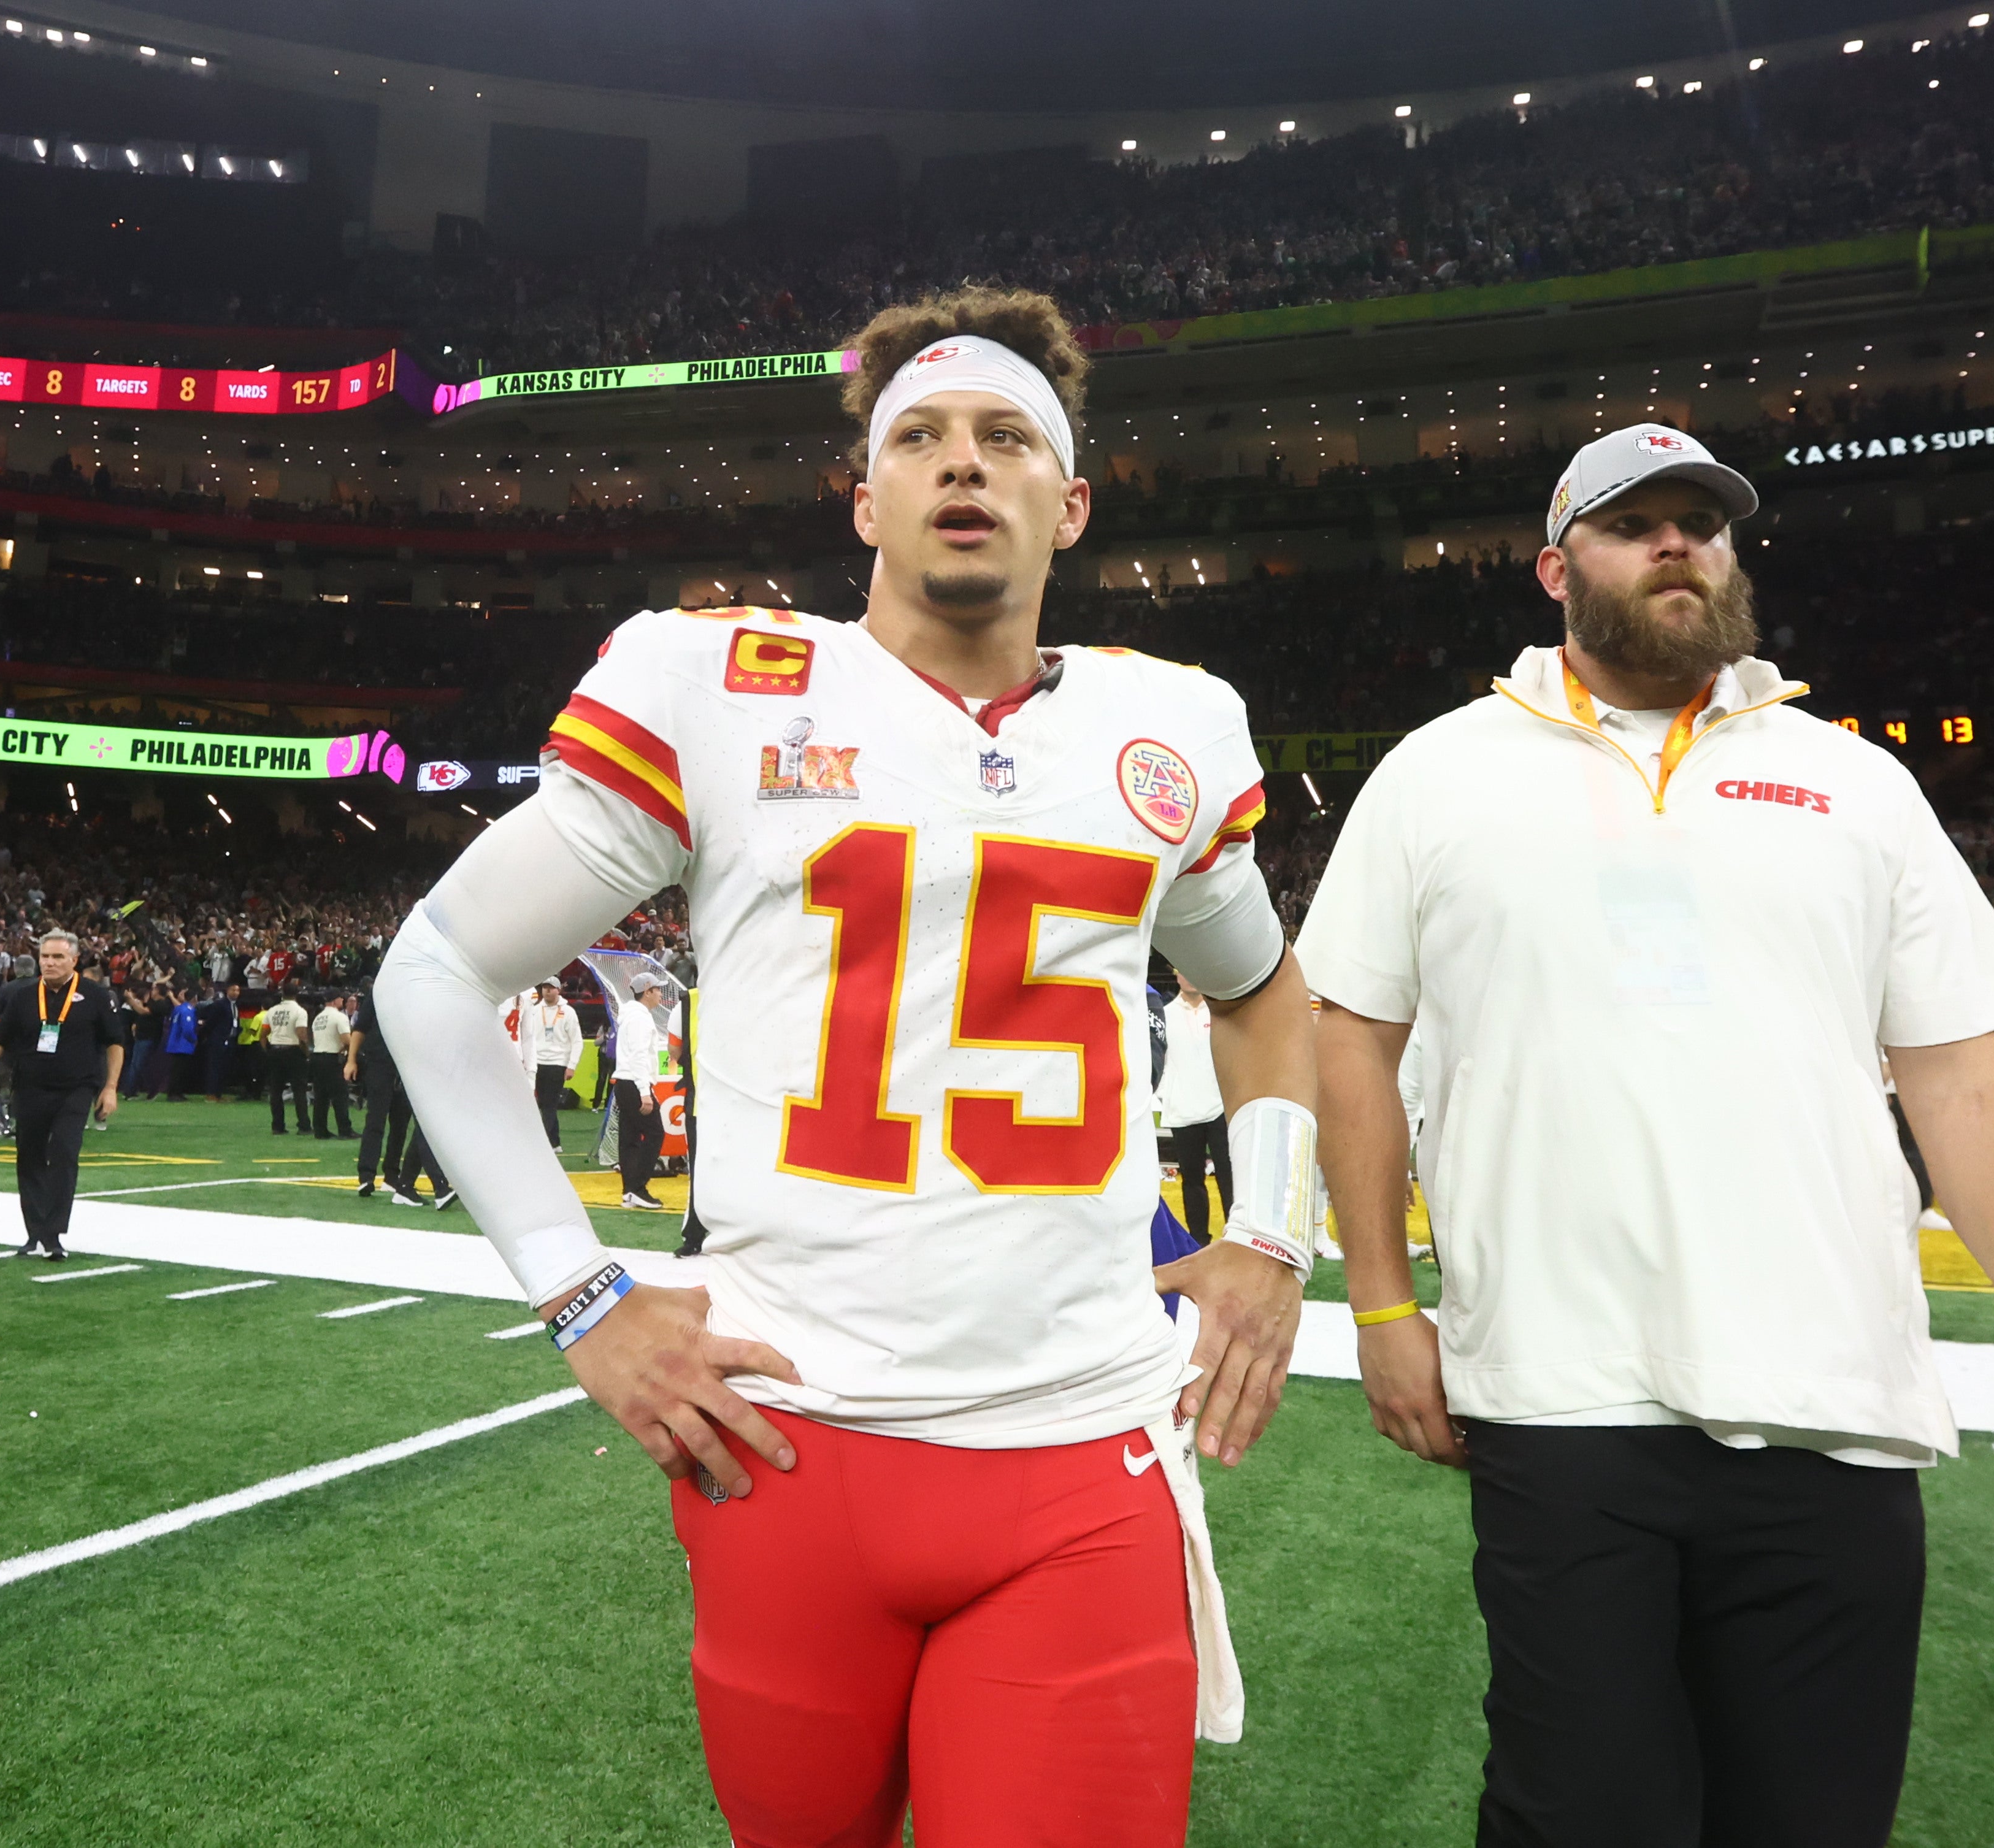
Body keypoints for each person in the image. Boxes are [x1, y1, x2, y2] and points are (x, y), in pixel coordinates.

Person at [378, 287, 1317, 1843]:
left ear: (1067, 503)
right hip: (787, 1451)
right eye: (922, 437)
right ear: (864, 495)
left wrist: (1271, 1229)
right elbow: (437, 966)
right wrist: (579, 1295)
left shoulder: (1172, 727)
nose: (965, 463)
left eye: (1007, 436)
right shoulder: (715, 685)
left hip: (1077, 1443)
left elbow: (1264, 997)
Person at [1299, 423, 1994, 1847]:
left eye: (1702, 520)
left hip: (1830, 1393)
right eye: (1633, 521)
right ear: (1550, 567)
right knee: (1579, 1816)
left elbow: (1962, 1075)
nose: (1675, 543)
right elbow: (1356, 1039)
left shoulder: (1852, 781)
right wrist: (1384, 1303)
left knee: (1809, 1820)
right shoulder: (1434, 772)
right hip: (1557, 1395)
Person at [0, 928, 126, 1262]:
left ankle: (53, 1233)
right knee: (30, 1156)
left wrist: (110, 1088)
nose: (50, 963)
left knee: (65, 1152)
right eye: (45, 957)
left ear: (75, 961)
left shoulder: (95, 996)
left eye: (58, 958)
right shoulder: (23, 995)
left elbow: (115, 1044)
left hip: (77, 1088)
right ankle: (35, 1232)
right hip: (30, 1087)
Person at [1157, 970, 1229, 1236]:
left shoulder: (1220, 1012)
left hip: (1220, 1108)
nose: (1190, 976)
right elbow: (1159, 1060)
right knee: (1192, 1180)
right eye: (1183, 971)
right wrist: (1169, 1093)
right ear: (1175, 975)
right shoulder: (1165, 1014)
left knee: (1229, 1177)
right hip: (1183, 1111)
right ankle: (1199, 1241)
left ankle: (1236, 1240)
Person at [348, 986, 427, 1202]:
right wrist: (351, 1060)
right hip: (380, 1063)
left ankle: (390, 1175)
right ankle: (367, 1174)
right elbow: (360, 1028)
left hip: (403, 1065)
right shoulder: (379, 994)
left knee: (400, 1124)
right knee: (377, 1120)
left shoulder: (413, 995)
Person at [610, 969, 668, 1210]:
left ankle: (630, 1190)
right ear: (648, 991)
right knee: (655, 1133)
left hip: (625, 1082)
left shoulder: (631, 1016)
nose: (661, 995)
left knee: (630, 1138)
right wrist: (645, 1092)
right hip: (634, 1083)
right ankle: (638, 1187)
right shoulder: (640, 1019)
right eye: (657, 990)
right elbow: (638, 1057)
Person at [529, 980, 583, 1151]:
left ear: (559, 990)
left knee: (549, 1104)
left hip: (558, 1063)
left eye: (551, 988)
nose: (547, 991)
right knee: (543, 1104)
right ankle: (555, 1143)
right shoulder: (535, 1011)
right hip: (537, 1062)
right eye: (545, 988)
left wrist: (571, 1065)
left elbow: (577, 1041)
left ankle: (544, 1144)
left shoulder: (568, 1012)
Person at [261, 987, 311, 1134]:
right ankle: (304, 1126)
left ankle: (278, 1126)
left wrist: (268, 1051)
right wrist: (306, 1053)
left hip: (275, 1050)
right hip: (294, 1051)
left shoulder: (272, 1011)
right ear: (296, 996)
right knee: (299, 1090)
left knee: (276, 1091)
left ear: (282, 996)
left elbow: (263, 1035)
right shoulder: (300, 1011)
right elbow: (302, 1035)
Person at [307, 992, 355, 1138]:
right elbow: (347, 1040)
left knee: (321, 1096)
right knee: (340, 1095)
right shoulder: (339, 1017)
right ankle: (345, 1130)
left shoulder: (318, 1018)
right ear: (336, 1000)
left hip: (318, 1057)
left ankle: (320, 1130)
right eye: (341, 998)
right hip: (332, 1058)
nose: (343, 1000)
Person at [198, 981, 239, 1102]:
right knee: (214, 1067)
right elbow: (211, 1022)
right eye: (233, 990)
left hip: (229, 1041)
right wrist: (205, 1036)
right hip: (218, 1041)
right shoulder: (220, 1005)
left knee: (224, 1068)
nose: (236, 993)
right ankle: (211, 1093)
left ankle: (219, 1094)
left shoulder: (235, 1006)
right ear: (227, 991)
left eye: (238, 990)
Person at [161, 987, 199, 1102]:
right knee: (179, 1071)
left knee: (175, 1071)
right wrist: (194, 1039)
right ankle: (175, 1094)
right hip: (183, 1045)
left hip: (174, 1043)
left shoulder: (178, 1009)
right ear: (194, 999)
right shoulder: (188, 1010)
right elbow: (187, 1029)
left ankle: (175, 1093)